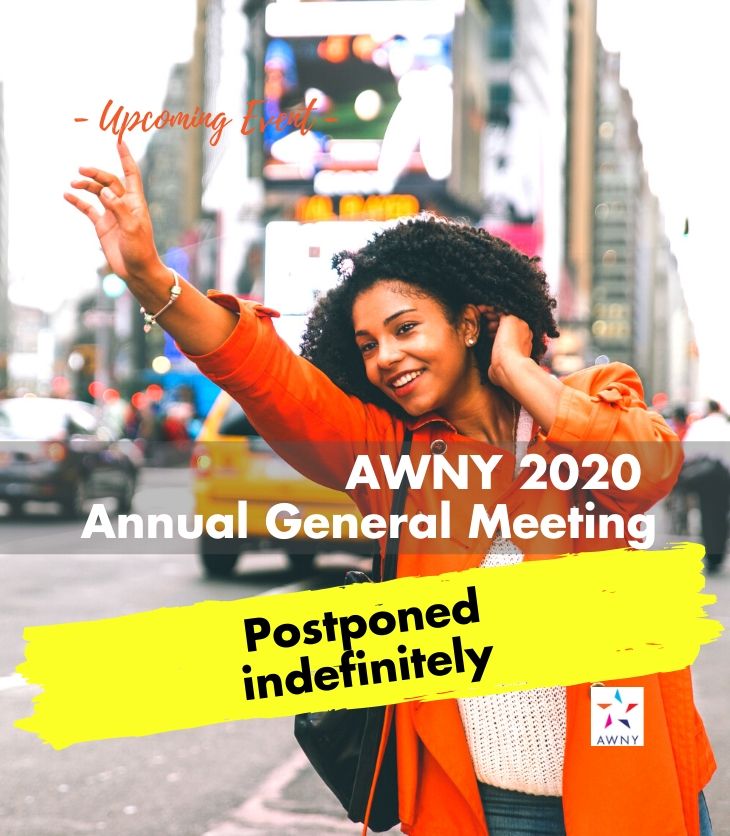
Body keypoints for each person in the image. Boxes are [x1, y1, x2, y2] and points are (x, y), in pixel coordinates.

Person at [65, 142, 715, 836]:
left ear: (471, 322)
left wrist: (521, 372)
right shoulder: (393, 457)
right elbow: (264, 374)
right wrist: (149, 276)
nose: (386, 358)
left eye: (406, 329)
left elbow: (648, 473)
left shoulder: (591, 401)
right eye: (368, 344)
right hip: (479, 809)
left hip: (632, 789)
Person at [681, 400, 730, 574]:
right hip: (723, 475)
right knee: (722, 514)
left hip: (704, 476)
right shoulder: (726, 427)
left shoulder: (699, 426)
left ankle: (711, 555)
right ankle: (719, 554)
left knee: (707, 514)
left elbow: (687, 451)